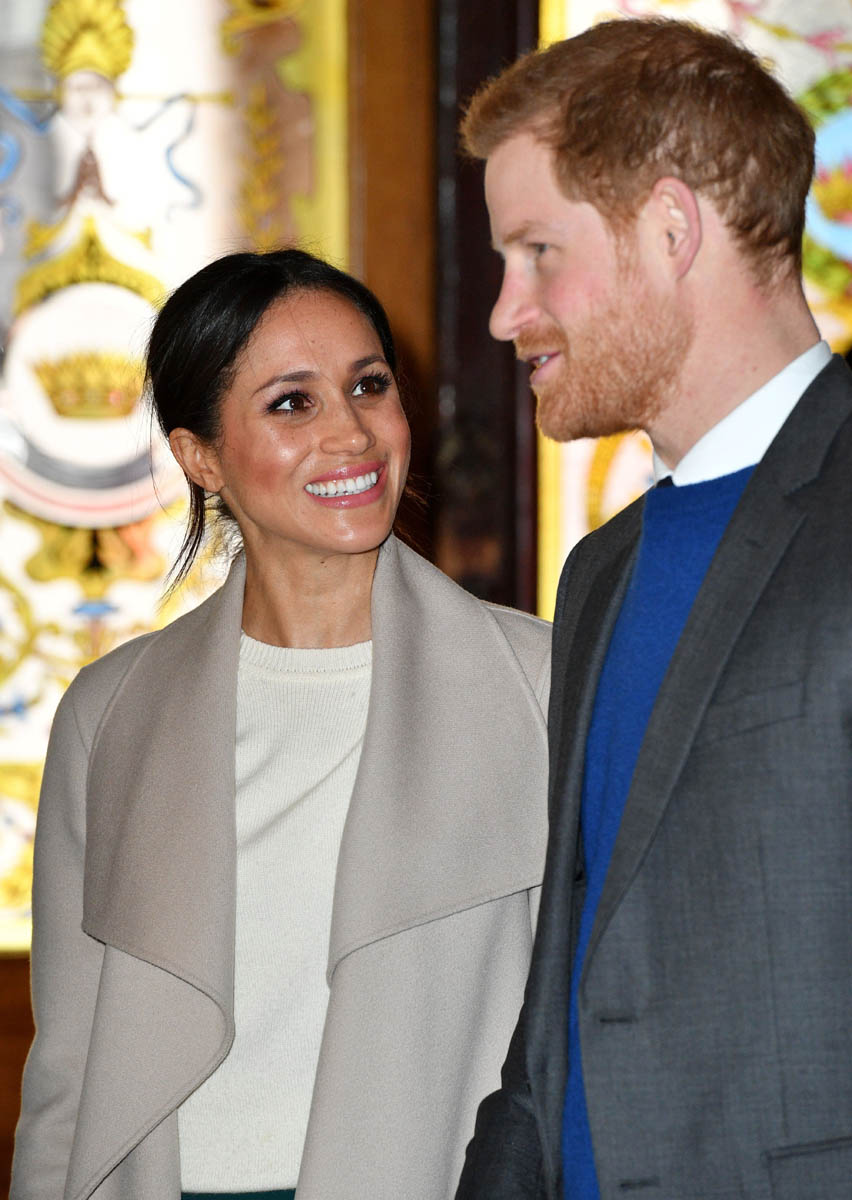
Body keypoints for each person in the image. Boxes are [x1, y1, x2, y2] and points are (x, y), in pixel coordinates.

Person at [11, 248, 552, 1200]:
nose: (351, 434)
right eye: (291, 403)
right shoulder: (110, 716)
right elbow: (69, 1066)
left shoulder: (539, 682)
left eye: (369, 386)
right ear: (200, 454)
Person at [455, 16, 852, 1200]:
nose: (503, 311)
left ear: (672, 229)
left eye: (536, 252)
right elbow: (559, 1002)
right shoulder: (601, 570)